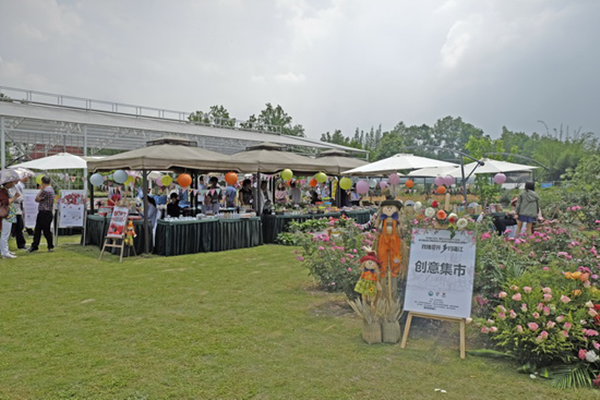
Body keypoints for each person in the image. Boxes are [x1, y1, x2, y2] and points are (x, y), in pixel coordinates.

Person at [27, 176, 54, 253]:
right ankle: (49, 246)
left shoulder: (45, 190)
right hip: (48, 212)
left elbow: (37, 199)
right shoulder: (51, 189)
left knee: (39, 230)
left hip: (43, 213)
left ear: (42, 182)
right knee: (46, 230)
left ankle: (35, 246)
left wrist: (41, 189)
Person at [0, 179, 20, 258]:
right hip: (6, 215)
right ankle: (4, 252)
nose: (12, 183)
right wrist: (15, 197)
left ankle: (5, 250)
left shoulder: (6, 190)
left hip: (9, 214)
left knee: (7, 233)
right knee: (5, 233)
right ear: (6, 183)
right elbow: (6, 202)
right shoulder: (2, 191)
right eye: (10, 182)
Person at [11, 176, 27, 249]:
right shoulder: (11, 188)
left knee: (19, 226)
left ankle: (21, 243)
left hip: (18, 208)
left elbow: (20, 196)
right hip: (14, 209)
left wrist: (20, 198)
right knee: (18, 226)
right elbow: (13, 197)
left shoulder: (16, 187)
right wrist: (18, 198)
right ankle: (21, 244)